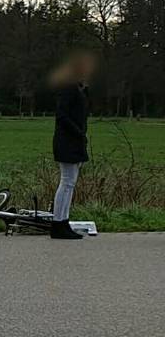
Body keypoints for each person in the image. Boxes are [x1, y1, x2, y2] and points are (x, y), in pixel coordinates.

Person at [48, 51, 97, 240]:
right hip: (67, 141)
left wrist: (85, 90)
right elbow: (62, 115)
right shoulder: (68, 88)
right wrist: (78, 132)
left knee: (70, 183)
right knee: (67, 182)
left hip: (74, 141)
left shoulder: (77, 88)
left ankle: (63, 221)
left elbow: (84, 110)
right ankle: (58, 223)